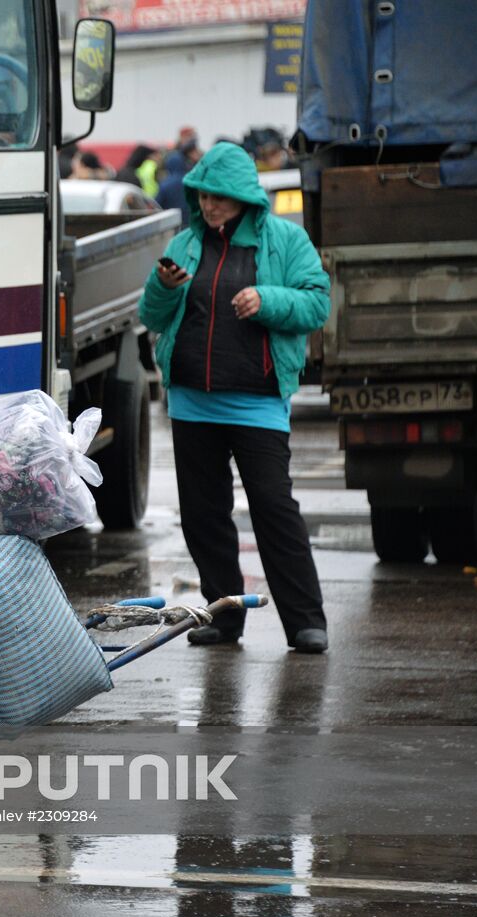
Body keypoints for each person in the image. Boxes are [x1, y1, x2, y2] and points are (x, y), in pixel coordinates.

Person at [138, 142, 330, 654]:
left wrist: (269, 299)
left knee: (273, 509)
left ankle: (306, 621)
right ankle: (223, 618)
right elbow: (152, 316)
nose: (209, 206)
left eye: (219, 198)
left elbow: (316, 304)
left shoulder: (285, 241)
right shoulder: (184, 245)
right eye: (202, 197)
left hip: (258, 401)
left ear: (244, 197)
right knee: (204, 517)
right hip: (191, 403)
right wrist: (164, 287)